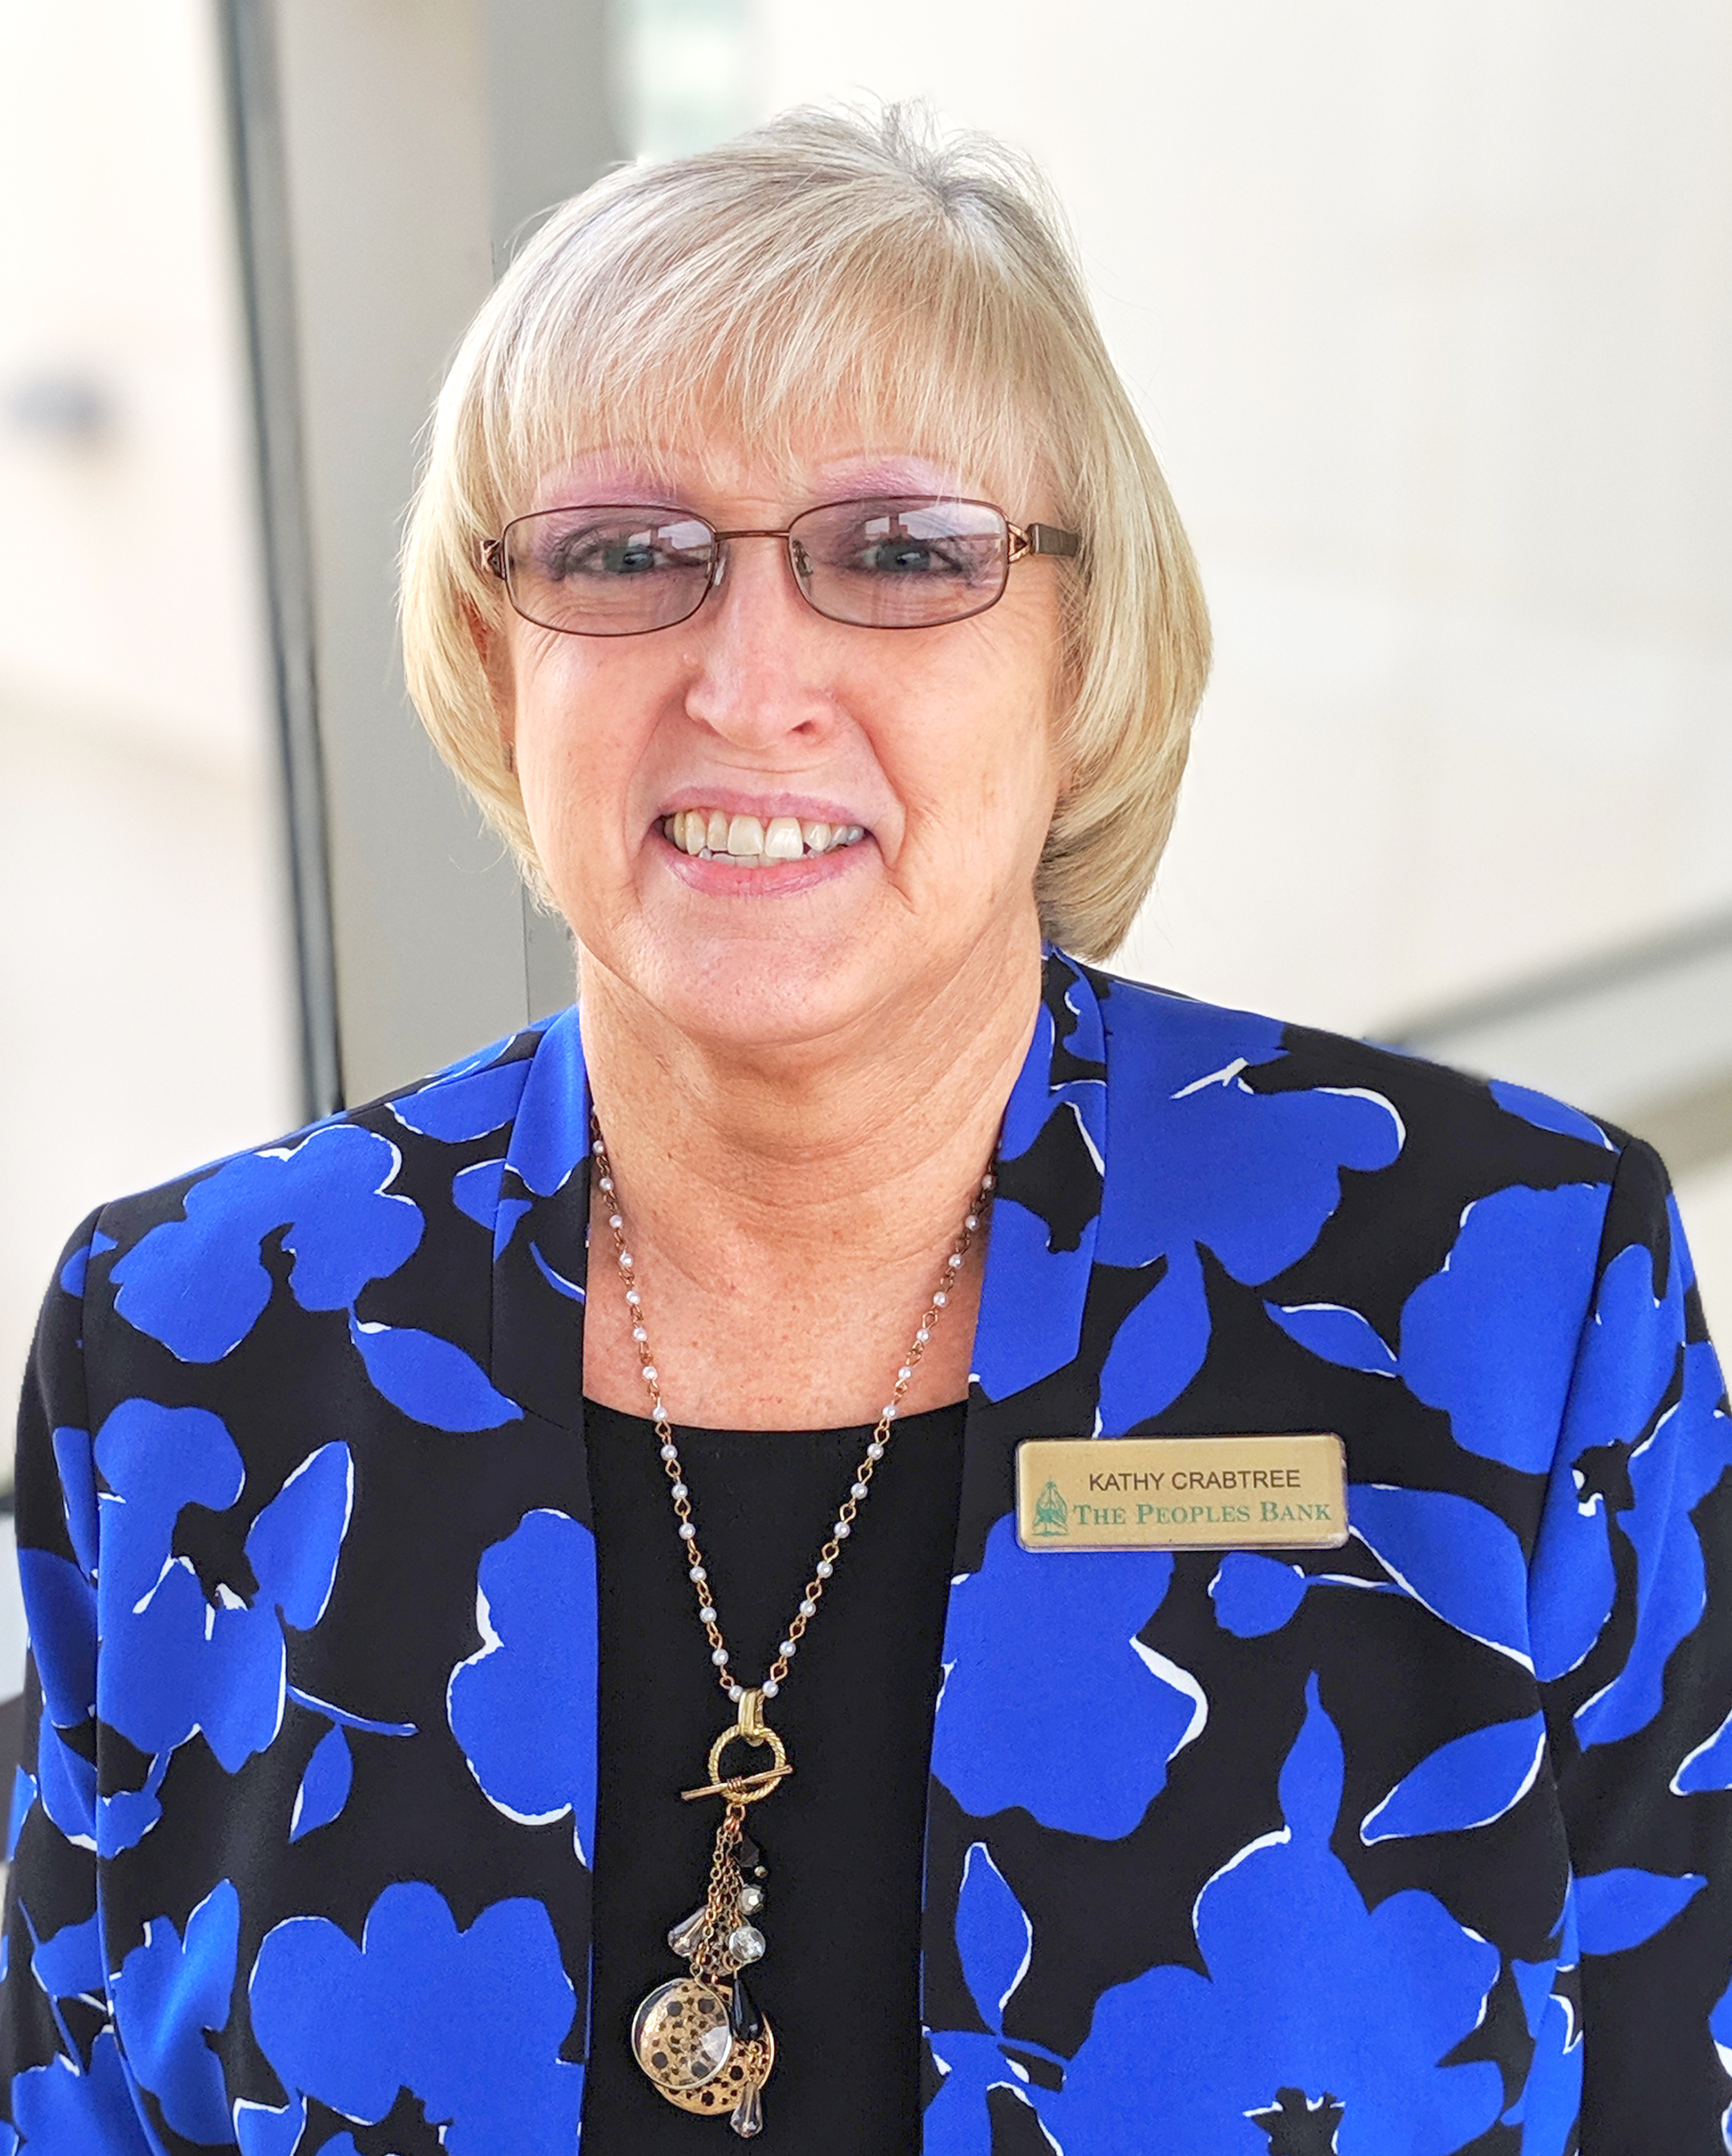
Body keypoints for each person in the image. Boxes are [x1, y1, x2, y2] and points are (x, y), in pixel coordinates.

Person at [2, 105, 1727, 2156]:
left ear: (1084, 659)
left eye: (902, 555)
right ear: (494, 650)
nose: (750, 682)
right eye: (623, 553)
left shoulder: (1500, 1290)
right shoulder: (196, 1334)